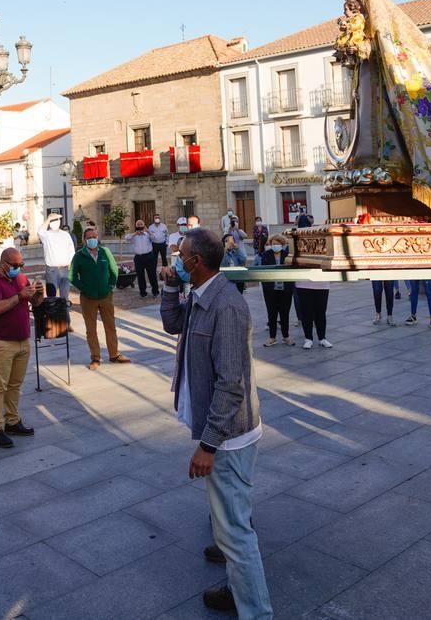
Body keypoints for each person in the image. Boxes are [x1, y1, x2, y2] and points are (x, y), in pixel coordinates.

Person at [159, 229, 272, 619]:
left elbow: (231, 385)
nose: (177, 259)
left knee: (236, 534)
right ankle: (235, 588)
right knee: (227, 523)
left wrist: (208, 446)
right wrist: (171, 287)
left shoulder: (226, 306)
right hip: (222, 432)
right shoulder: (201, 294)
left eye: (182, 256)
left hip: (228, 437)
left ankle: (256, 611)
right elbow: (172, 325)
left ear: (198, 262)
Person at [0, 248, 43, 448]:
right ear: (3, 263)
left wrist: (38, 294)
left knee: (15, 385)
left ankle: (12, 421)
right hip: (1, 342)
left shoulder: (22, 278)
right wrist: (19, 295)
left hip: (22, 340)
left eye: (21, 265)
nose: (18, 269)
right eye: (15, 265)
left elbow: (35, 302)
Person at [69, 225, 128, 370]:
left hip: (106, 296)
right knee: (91, 329)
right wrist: (84, 288)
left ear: (98, 238)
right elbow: (72, 276)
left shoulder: (105, 252)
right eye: (89, 238)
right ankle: (95, 357)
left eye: (94, 237)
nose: (92, 240)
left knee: (110, 326)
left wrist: (110, 285)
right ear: (84, 240)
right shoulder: (79, 256)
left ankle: (114, 354)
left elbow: (114, 270)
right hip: (88, 298)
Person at [258, 235, 293, 346]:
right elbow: (263, 271)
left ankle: (286, 336)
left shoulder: (287, 255)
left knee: (284, 313)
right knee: (271, 313)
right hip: (270, 289)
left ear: (282, 244)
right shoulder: (266, 255)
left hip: (285, 289)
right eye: (273, 243)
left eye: (277, 243)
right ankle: (272, 337)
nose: (275, 245)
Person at [38, 216, 74, 304]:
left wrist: (71, 263)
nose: (55, 222)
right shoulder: (46, 235)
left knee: (64, 296)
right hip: (52, 270)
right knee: (51, 296)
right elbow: (40, 231)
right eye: (52, 220)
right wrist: (49, 219)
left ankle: (64, 312)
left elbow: (71, 250)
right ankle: (52, 315)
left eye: (56, 220)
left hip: (65, 268)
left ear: (59, 221)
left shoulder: (65, 234)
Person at [295, 276, 332, 350]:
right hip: (304, 284)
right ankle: (308, 339)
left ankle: (322, 338)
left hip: (322, 285)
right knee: (306, 312)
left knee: (321, 312)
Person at [128, 220, 159, 297]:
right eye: (138, 224)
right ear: (136, 226)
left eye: (141, 224)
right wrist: (135, 233)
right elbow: (127, 238)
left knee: (152, 274)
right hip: (138, 258)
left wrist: (147, 231)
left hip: (149, 257)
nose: (139, 225)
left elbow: (155, 238)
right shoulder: (133, 236)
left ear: (144, 225)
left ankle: (155, 291)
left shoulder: (147, 234)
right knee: (140, 276)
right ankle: (143, 292)